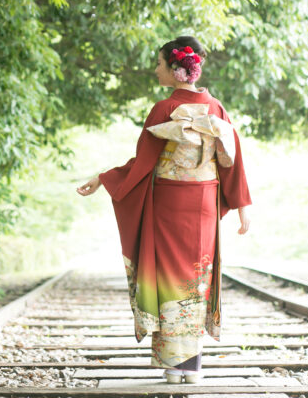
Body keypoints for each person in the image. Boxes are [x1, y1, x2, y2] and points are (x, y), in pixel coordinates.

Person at [76, 36, 252, 385]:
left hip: (169, 203)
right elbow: (233, 164)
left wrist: (105, 179)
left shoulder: (162, 109)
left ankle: (175, 365)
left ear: (175, 70)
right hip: (204, 202)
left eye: (159, 64)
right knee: (197, 279)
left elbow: (143, 164)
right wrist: (243, 205)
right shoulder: (216, 108)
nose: (155, 69)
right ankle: (191, 365)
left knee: (170, 277)